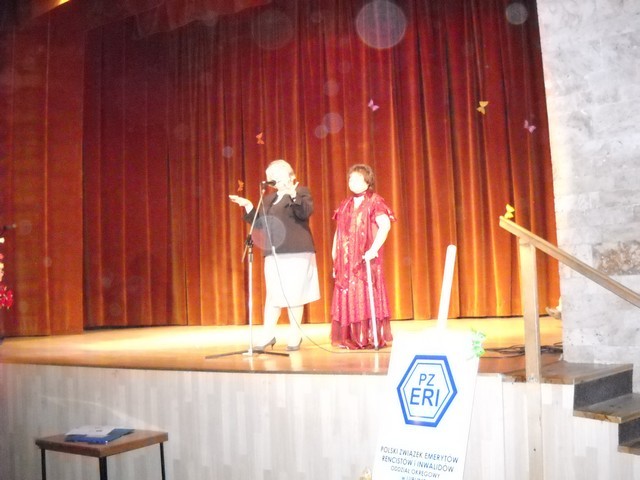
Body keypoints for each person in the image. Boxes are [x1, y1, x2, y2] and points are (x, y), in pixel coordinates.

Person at [229, 159, 320, 351]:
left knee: (295, 294)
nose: (273, 178)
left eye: (277, 175)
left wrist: (293, 194)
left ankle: (295, 335)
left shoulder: (301, 192)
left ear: (290, 175)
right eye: (270, 176)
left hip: (296, 251)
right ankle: (267, 334)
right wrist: (248, 206)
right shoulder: (269, 199)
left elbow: (304, 212)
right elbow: (260, 224)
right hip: (274, 252)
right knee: (273, 295)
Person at [331, 164, 395, 349]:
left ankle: (368, 336)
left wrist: (373, 249)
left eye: (358, 179)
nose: (353, 182)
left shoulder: (375, 201)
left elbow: (385, 226)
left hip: (365, 259)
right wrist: (335, 254)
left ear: (368, 182)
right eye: (351, 179)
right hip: (346, 260)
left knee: (363, 293)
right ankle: (350, 336)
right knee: (347, 293)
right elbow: (339, 231)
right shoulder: (345, 204)